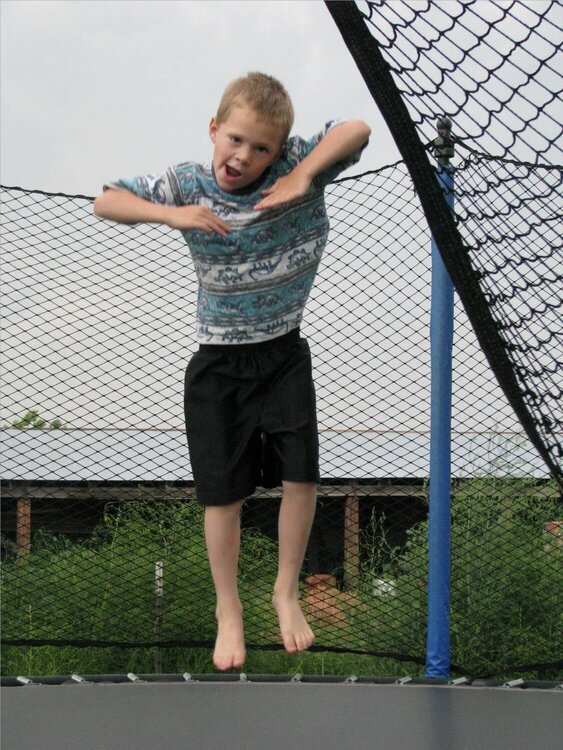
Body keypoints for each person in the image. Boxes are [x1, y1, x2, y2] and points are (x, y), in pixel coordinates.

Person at [94, 72, 370, 671]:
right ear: (214, 130)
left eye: (262, 148)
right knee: (222, 495)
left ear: (280, 149)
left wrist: (301, 176)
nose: (244, 157)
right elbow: (105, 199)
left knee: (301, 477)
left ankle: (285, 591)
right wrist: (171, 217)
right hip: (219, 362)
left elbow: (357, 129)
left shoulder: (299, 164)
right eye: (237, 140)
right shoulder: (188, 181)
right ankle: (229, 608)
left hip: (284, 351)